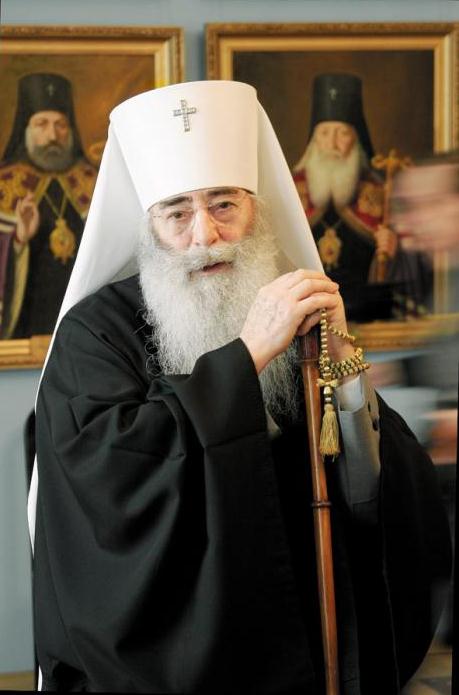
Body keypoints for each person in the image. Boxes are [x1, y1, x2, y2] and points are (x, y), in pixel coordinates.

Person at [30, 81, 451, 694]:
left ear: (257, 210)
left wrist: (345, 365)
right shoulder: (95, 333)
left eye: (224, 204)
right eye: (178, 213)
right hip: (181, 647)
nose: (205, 235)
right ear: (149, 227)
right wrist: (247, 355)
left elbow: (371, 486)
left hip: (301, 634)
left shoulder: (294, 308)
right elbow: (106, 482)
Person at [293, 73, 432, 321]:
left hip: (369, 319)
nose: (332, 144)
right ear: (313, 141)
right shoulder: (291, 194)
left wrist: (395, 252)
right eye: (324, 133)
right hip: (305, 322)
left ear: (356, 140)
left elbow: (419, 274)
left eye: (342, 133)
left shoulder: (383, 197)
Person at [0, 72, 97, 339]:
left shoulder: (93, 181)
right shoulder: (6, 184)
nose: (53, 135)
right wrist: (19, 240)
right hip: (28, 325)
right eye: (42, 124)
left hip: (87, 323)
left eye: (61, 125)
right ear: (26, 130)